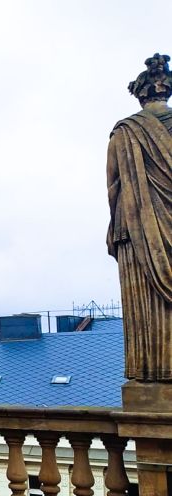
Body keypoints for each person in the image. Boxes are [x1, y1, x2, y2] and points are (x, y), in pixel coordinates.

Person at [107, 53, 172, 381]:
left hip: (134, 228)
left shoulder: (125, 132)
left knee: (142, 310)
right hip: (151, 225)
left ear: (142, 93)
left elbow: (114, 187)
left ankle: (147, 373)